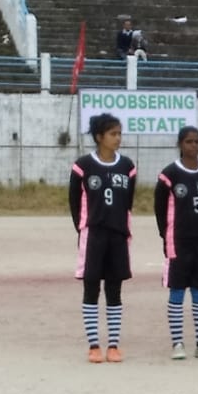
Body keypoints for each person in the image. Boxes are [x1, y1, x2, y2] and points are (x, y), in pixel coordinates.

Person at [69, 113, 136, 363]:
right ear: (99, 137)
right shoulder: (83, 166)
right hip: (93, 234)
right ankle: (94, 345)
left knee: (114, 290)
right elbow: (74, 202)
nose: (118, 138)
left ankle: (114, 345)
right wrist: (84, 228)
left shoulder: (127, 166)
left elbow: (127, 201)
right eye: (113, 134)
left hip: (118, 234)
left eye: (119, 133)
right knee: (91, 287)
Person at [153, 126, 198, 360]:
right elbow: (160, 209)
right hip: (178, 240)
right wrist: (167, 235)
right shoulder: (170, 174)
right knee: (178, 288)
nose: (194, 146)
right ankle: (177, 343)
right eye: (189, 142)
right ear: (181, 144)